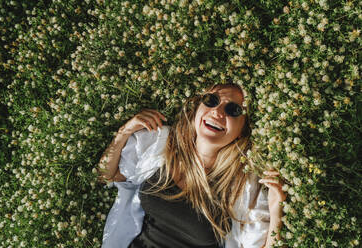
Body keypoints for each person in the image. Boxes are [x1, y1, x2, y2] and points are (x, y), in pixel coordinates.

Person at [98, 83, 286, 248]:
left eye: (233, 110)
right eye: (211, 100)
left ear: (242, 130)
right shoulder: (161, 144)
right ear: (197, 108)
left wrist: (276, 208)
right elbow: (108, 175)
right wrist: (124, 132)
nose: (218, 112)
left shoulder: (241, 187)